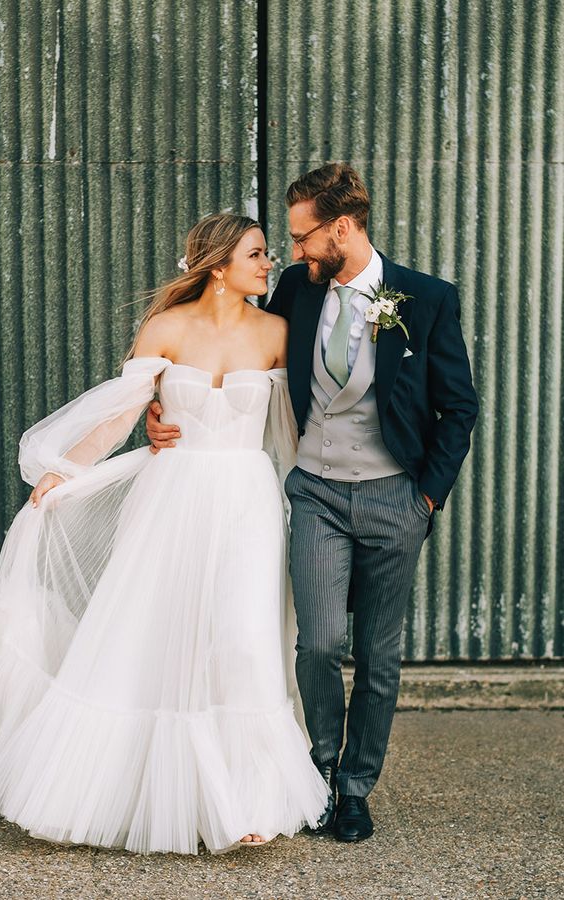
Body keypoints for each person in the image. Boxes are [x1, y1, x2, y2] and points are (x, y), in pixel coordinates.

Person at [0, 213, 329, 855]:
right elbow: (119, 417)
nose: (269, 264)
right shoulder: (165, 328)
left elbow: (291, 436)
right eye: (257, 254)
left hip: (247, 500)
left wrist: (319, 502)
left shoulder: (277, 332)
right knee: (151, 633)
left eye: (269, 253)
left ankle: (243, 798)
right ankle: (127, 791)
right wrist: (63, 473)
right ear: (218, 265)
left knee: (243, 640)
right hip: (173, 496)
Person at [146, 164, 479, 843]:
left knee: (379, 658)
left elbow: (459, 406)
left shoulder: (425, 298)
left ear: (343, 229)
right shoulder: (297, 289)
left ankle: (356, 790)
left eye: (302, 237)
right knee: (318, 642)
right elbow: (229, 345)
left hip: (396, 498)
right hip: (317, 493)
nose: (292, 252)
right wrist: (160, 405)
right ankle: (316, 777)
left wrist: (427, 499)